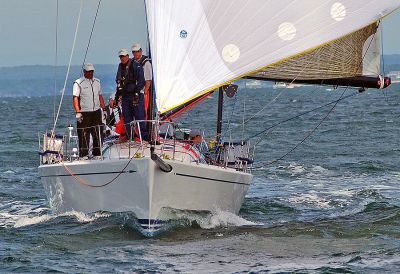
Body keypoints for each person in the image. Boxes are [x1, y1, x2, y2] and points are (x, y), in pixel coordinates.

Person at [73, 63, 107, 159]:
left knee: (97, 132)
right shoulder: (78, 83)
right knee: (84, 133)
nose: (90, 73)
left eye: (91, 71)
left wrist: (104, 109)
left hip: (96, 111)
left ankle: (97, 154)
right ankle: (83, 154)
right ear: (84, 72)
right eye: (88, 71)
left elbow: (100, 96)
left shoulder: (97, 82)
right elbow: (75, 98)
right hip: (84, 112)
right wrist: (78, 112)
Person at [115, 48, 146, 140]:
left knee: (139, 117)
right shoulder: (120, 67)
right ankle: (131, 137)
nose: (122, 58)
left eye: (124, 56)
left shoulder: (136, 65)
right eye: (121, 57)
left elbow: (141, 81)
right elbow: (119, 84)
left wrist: (136, 93)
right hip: (125, 97)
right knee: (127, 119)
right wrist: (117, 97)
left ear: (128, 56)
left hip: (135, 96)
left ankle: (143, 138)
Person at [131, 43, 152, 119]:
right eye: (134, 52)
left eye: (137, 51)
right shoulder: (132, 62)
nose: (135, 53)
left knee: (142, 112)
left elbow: (148, 79)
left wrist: (145, 91)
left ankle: (143, 129)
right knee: (134, 112)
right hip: (133, 92)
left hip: (142, 92)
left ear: (141, 51)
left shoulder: (146, 63)